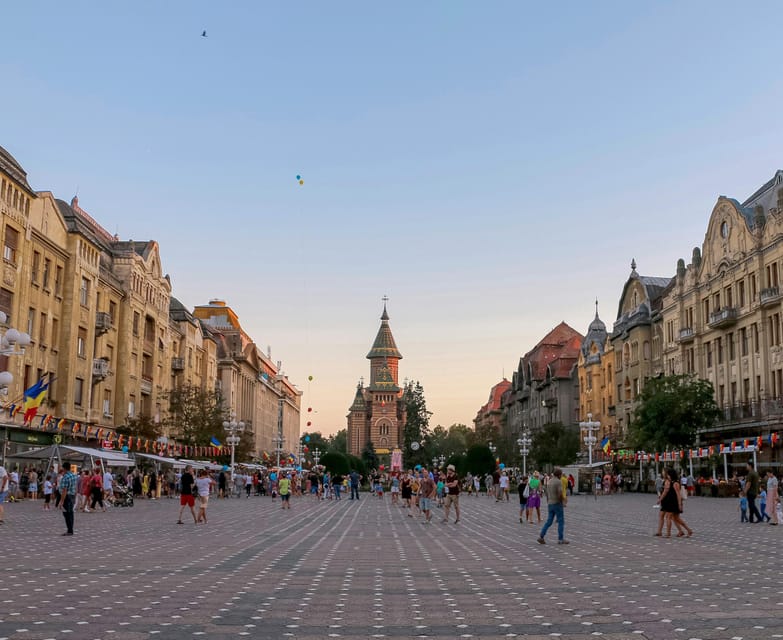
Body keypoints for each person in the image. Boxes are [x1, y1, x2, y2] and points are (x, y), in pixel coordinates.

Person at [537, 468, 568, 545]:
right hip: (557, 503)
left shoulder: (549, 481)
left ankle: (541, 536)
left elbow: (547, 493)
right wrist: (562, 501)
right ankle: (560, 539)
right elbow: (560, 493)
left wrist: (548, 500)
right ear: (559, 475)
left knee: (549, 521)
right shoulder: (558, 482)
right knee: (561, 521)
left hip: (550, 503)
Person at [57, 462, 78, 535]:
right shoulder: (74, 475)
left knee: (66, 514)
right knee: (71, 513)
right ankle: (71, 529)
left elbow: (64, 490)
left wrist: (61, 501)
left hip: (67, 497)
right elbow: (75, 487)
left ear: (64, 468)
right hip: (72, 496)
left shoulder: (65, 477)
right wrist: (75, 497)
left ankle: (69, 530)